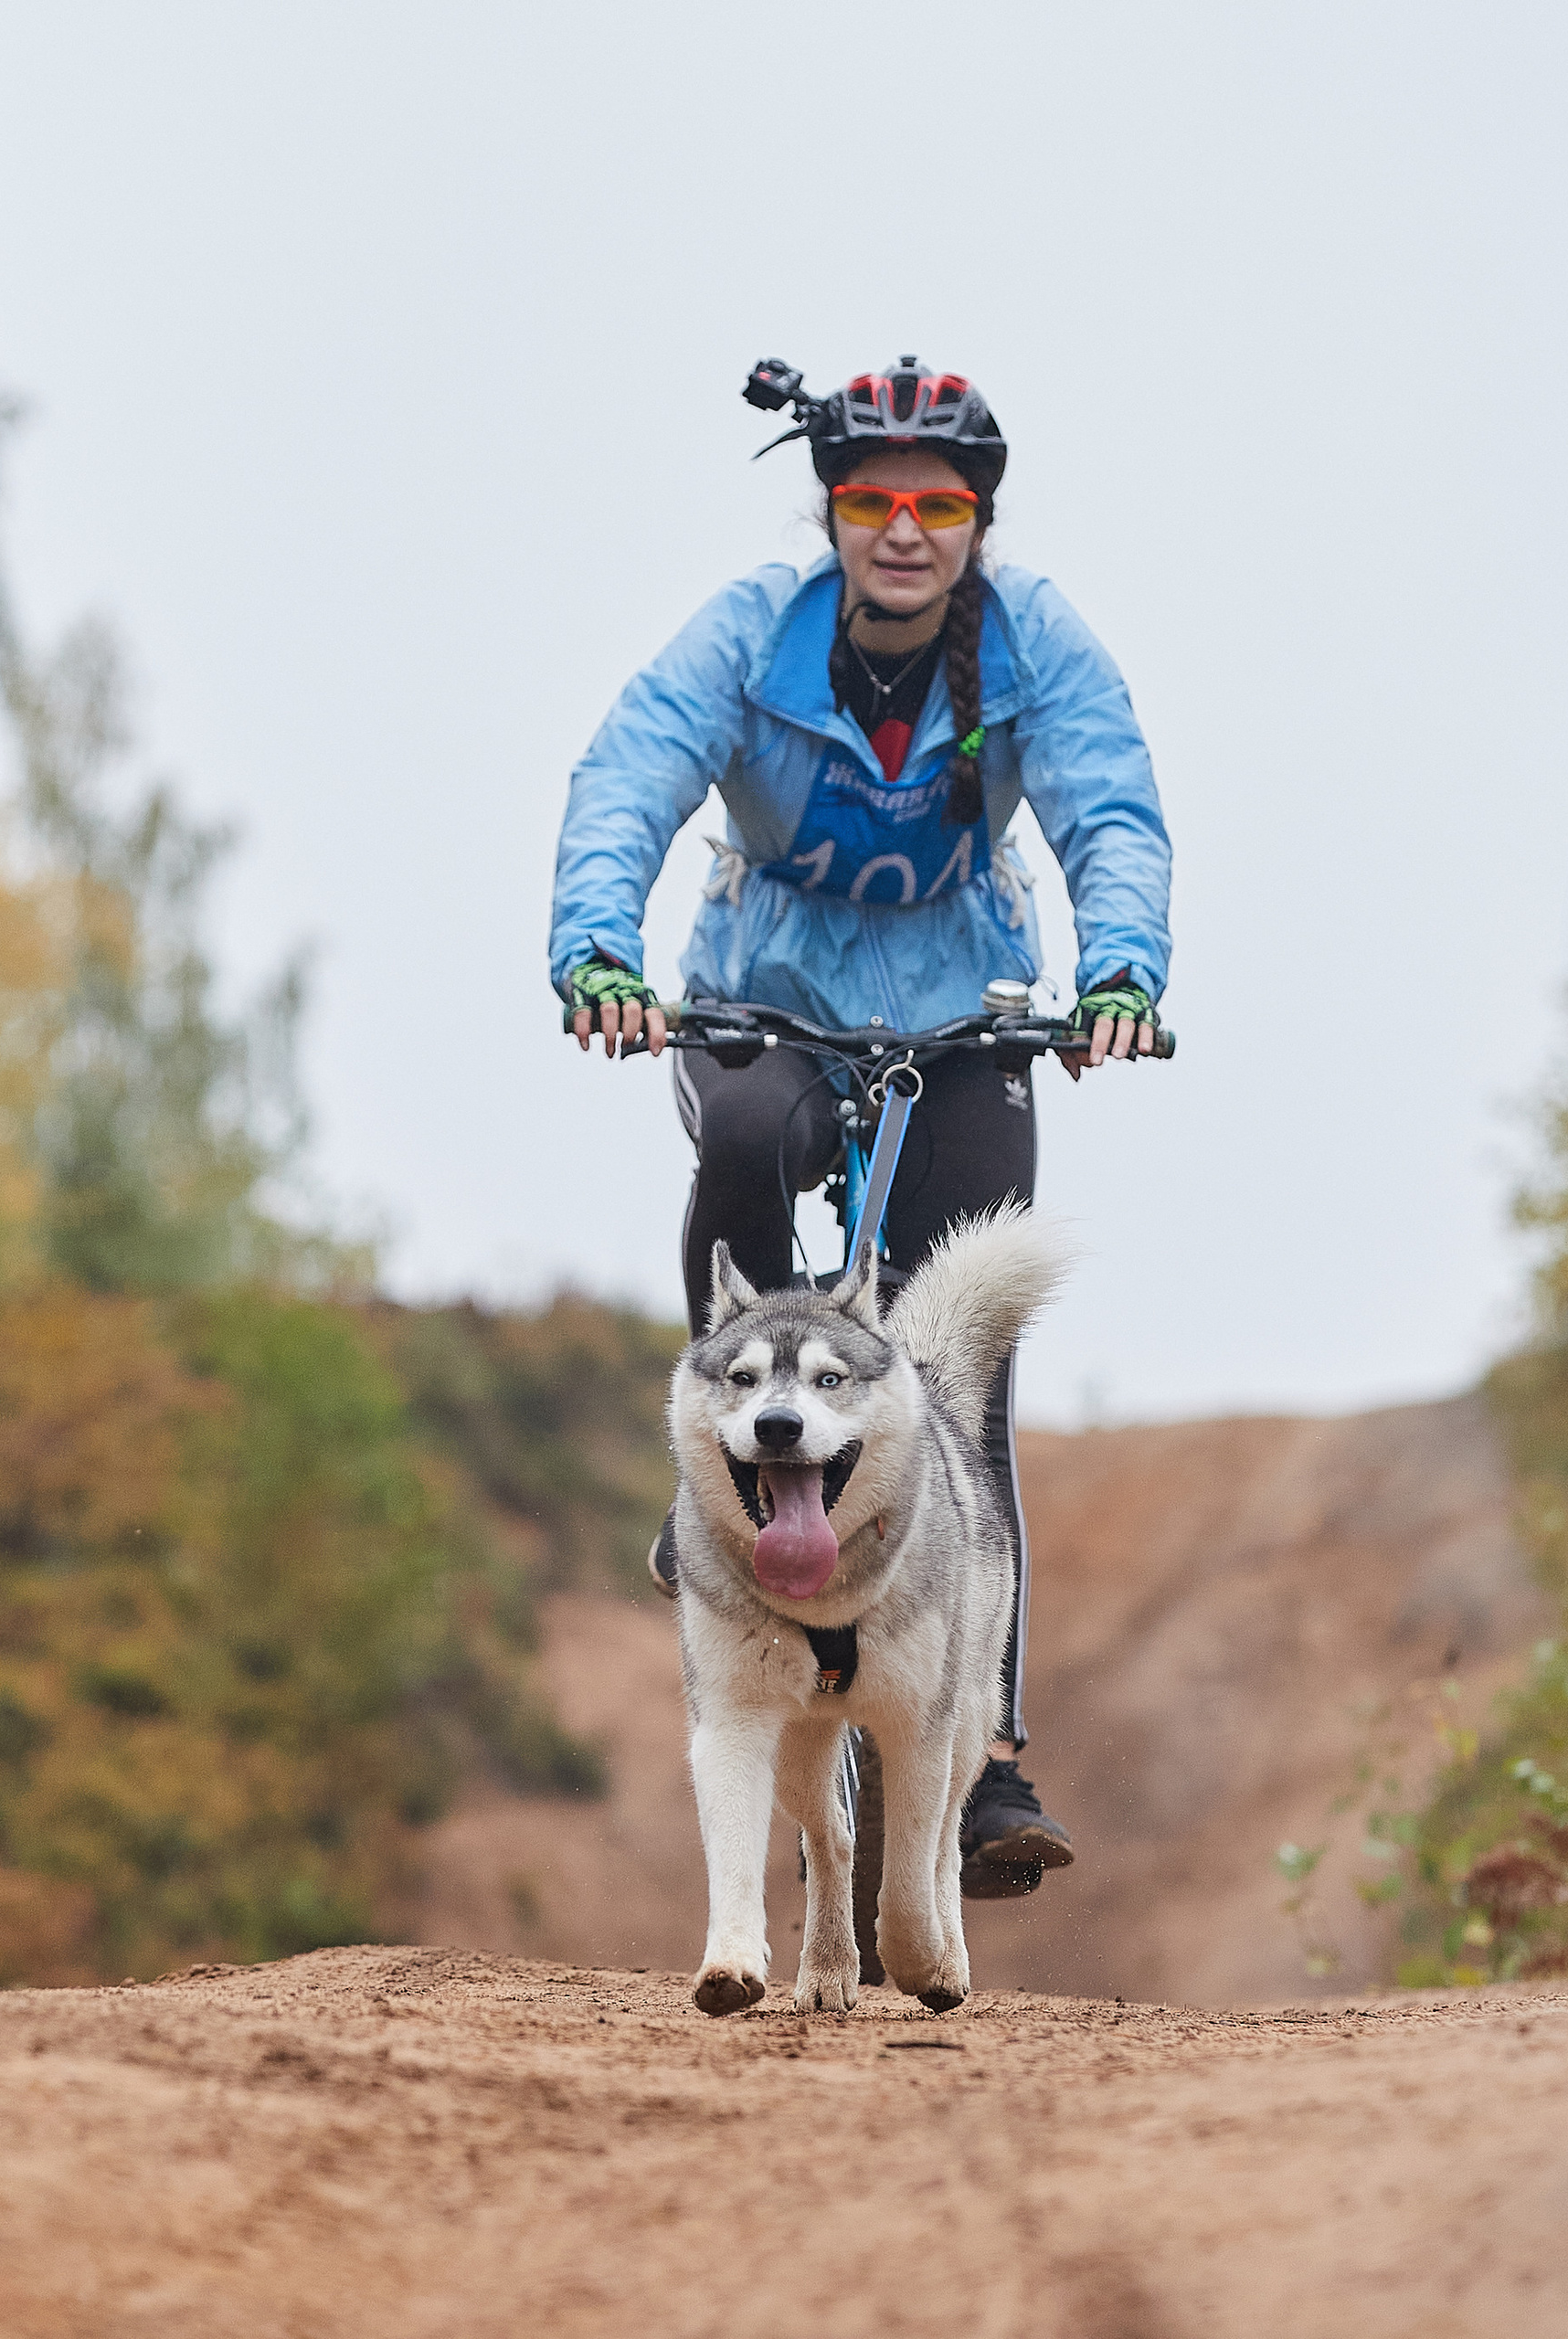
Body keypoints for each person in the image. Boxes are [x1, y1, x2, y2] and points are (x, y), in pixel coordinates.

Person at [548, 355, 1172, 1899]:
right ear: (829, 510)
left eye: (939, 505)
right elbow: (630, 775)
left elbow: (1111, 810)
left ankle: (989, 1762)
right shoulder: (754, 629)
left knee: (959, 1368)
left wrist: (1120, 974)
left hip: (964, 1003)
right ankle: (730, 1439)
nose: (905, 530)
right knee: (748, 1131)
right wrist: (598, 951)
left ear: (979, 521)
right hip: (768, 994)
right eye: (872, 500)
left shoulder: (1040, 644)